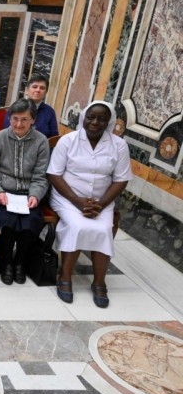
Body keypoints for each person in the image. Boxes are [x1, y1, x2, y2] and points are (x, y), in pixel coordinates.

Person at [48, 101, 131, 308]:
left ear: (108, 122)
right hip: (67, 196)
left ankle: (99, 282)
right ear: (84, 118)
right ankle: (65, 277)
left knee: (104, 229)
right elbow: (54, 174)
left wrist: (101, 205)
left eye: (101, 119)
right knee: (78, 226)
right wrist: (77, 201)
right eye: (91, 117)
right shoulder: (68, 141)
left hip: (101, 201)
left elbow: (121, 179)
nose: (95, 122)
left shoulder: (118, 145)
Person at [0, 98, 50, 285]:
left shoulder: (41, 141)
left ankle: (20, 262)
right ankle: (6, 263)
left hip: (28, 193)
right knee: (8, 221)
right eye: (14, 119)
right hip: (3, 192)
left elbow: (41, 175)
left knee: (30, 222)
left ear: (33, 120)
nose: (18, 124)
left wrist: (35, 195)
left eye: (24, 119)